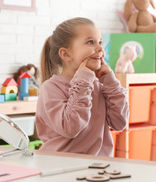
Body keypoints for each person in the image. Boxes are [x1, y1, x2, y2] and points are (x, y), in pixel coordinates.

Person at [36, 17, 129, 156]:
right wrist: (83, 81)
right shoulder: (50, 88)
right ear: (66, 54)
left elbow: (120, 123)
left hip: (96, 166)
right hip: (57, 165)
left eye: (100, 42)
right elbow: (70, 128)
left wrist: (110, 81)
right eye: (90, 42)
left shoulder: (97, 86)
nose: (100, 48)